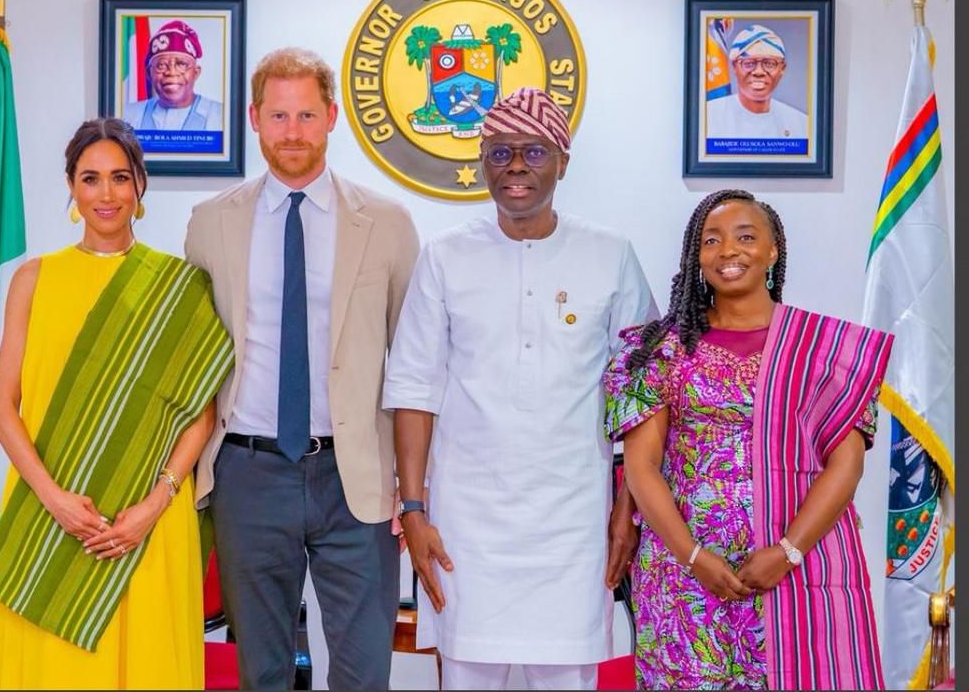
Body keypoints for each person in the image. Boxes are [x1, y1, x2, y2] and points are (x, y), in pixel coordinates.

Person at [384, 87, 658, 691]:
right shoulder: (446, 257)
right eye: (501, 152)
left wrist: (627, 508)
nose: (515, 167)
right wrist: (413, 508)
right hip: (466, 526)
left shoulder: (610, 255)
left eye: (534, 152)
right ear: (481, 161)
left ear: (563, 161)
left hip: (573, 523)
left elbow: (644, 392)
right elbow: (413, 388)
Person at [183, 47, 420, 690]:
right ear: (255, 118)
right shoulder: (210, 224)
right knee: (261, 669)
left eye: (307, 115)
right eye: (279, 115)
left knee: (362, 669)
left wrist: (413, 485)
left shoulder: (389, 224)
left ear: (333, 118)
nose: (293, 131)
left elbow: (415, 365)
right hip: (249, 471)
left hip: (357, 478)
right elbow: (192, 362)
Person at [0, 117, 234, 689]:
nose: (107, 193)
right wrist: (55, 501)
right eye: (90, 179)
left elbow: (202, 413)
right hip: (50, 519)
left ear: (140, 186)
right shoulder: (34, 279)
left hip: (145, 524)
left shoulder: (180, 287)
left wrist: (152, 504)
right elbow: (2, 407)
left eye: (120, 177)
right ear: (72, 187)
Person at [603, 189, 893, 689]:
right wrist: (694, 557)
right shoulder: (659, 350)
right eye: (711, 240)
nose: (728, 251)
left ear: (773, 249)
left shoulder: (822, 352)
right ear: (696, 256)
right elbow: (642, 467)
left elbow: (845, 465)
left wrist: (787, 552)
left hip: (798, 563)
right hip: (682, 573)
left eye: (745, 237)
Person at [705, 24, 809, 139]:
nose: (758, 72)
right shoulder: (706, 118)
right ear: (734, 67)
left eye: (769, 63)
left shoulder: (802, 125)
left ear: (782, 68)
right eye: (749, 63)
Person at [123, 20, 223, 131]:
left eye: (181, 64)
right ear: (149, 74)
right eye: (161, 65)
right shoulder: (128, 115)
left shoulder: (220, 115)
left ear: (196, 72)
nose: (171, 72)